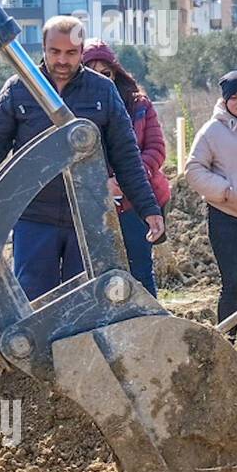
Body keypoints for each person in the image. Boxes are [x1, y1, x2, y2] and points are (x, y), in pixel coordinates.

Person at [0, 16, 164, 300]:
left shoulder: (103, 91)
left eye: (71, 53)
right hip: (34, 215)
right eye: (55, 52)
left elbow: (126, 157)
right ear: (44, 48)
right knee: (33, 298)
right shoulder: (19, 88)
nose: (62, 60)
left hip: (87, 218)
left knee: (86, 300)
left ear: (82, 50)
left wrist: (149, 208)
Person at [184, 70, 237, 361]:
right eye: (234, 97)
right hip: (226, 217)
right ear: (225, 100)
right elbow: (194, 169)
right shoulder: (212, 131)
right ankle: (226, 344)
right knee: (234, 281)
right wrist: (224, 190)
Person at [81, 40, 170, 297]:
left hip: (136, 200)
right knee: (101, 273)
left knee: (139, 269)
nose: (101, 79)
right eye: (92, 72)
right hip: (94, 202)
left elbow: (155, 148)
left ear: (115, 73)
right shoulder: (75, 107)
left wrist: (130, 176)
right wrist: (101, 182)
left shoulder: (138, 105)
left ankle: (148, 324)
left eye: (105, 73)